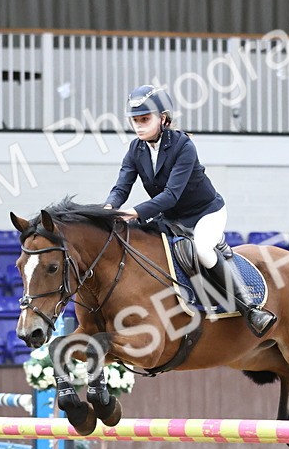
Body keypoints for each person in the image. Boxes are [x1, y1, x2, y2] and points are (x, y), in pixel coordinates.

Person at [104, 84, 276, 337]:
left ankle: (250, 308)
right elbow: (121, 187)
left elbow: (171, 195)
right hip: (172, 218)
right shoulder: (135, 149)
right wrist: (109, 208)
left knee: (202, 249)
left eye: (145, 119)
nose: (139, 126)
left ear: (163, 118)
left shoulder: (183, 145)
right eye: (135, 121)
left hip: (205, 213)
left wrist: (134, 213)